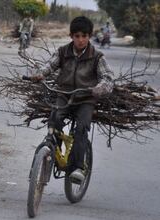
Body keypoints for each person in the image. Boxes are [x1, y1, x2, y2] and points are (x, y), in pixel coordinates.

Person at [32, 16, 114, 183]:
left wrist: (100, 88)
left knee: (82, 128)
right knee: (54, 120)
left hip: (86, 99)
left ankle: (78, 167)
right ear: (71, 36)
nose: (80, 40)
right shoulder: (63, 52)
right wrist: (40, 74)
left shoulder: (97, 57)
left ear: (89, 36)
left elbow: (108, 77)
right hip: (64, 94)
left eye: (84, 36)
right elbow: (49, 65)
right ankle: (52, 152)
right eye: (77, 36)